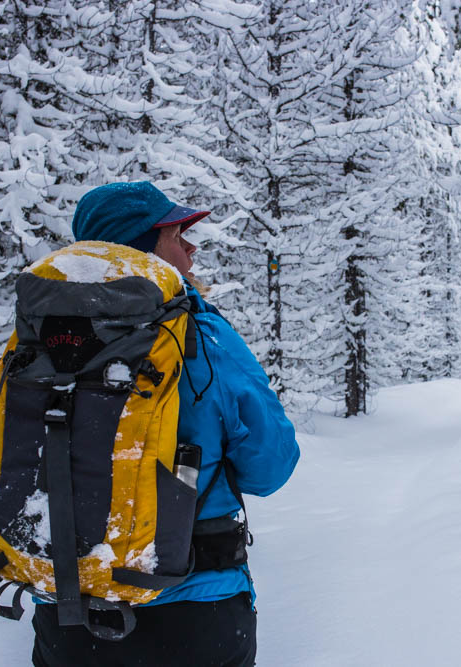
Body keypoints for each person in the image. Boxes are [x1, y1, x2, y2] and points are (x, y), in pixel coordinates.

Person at [30, 181, 300, 666]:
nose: (191, 250)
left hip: (70, 613)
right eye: (178, 236)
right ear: (142, 247)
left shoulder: (36, 338)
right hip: (196, 607)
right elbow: (271, 468)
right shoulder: (203, 338)